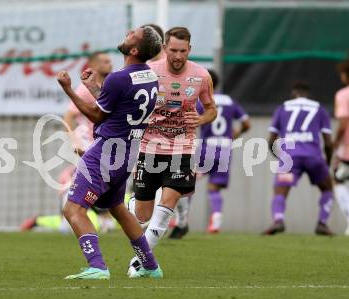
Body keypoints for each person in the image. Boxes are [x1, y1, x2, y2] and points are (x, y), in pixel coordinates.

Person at [56, 25, 163, 280]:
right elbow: (116, 106)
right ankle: (150, 265)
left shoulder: (119, 78)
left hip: (105, 152)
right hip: (127, 154)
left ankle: (98, 266)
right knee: (117, 207)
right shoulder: (148, 76)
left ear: (135, 49)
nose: (128, 33)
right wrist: (94, 87)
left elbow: (96, 114)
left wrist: (68, 89)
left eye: (132, 34)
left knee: (73, 209)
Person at [127, 27, 217, 273]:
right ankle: (132, 203)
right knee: (141, 216)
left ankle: (140, 263)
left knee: (166, 208)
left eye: (183, 51)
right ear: (165, 48)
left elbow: (211, 109)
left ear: (190, 50)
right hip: (149, 147)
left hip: (182, 148)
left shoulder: (201, 75)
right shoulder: (149, 73)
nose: (178, 56)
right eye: (174, 50)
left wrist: (199, 120)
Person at [21, 52, 116, 233]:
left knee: (105, 179)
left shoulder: (110, 84)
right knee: (97, 176)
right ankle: (83, 212)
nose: (110, 63)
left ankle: (97, 215)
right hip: (90, 139)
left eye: (110, 61)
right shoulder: (84, 88)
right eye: (105, 61)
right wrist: (74, 139)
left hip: (105, 141)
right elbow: (69, 114)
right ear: (93, 65)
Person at [170, 69, 250, 238]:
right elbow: (247, 123)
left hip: (207, 147)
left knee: (187, 181)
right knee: (214, 187)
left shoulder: (201, 102)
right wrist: (236, 132)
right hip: (225, 147)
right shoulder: (230, 101)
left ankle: (180, 219)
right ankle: (217, 217)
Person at [263, 81, 334, 236]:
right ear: (307, 94)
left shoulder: (283, 108)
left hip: (290, 159)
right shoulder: (319, 108)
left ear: (293, 93)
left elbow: (270, 140)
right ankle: (322, 223)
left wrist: (280, 158)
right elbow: (328, 143)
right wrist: (326, 163)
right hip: (314, 158)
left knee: (280, 191)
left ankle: (278, 220)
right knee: (327, 189)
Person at [333, 60, 349, 235]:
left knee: (337, 180)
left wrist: (336, 142)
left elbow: (343, 123)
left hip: (347, 150)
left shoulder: (343, 95)